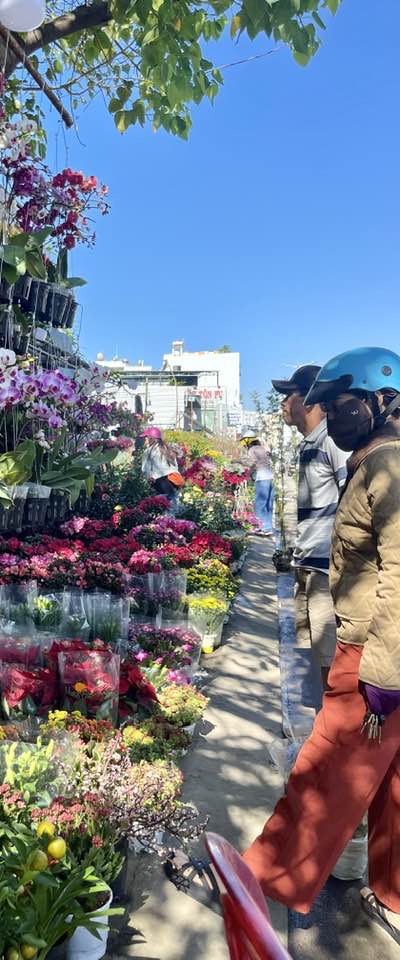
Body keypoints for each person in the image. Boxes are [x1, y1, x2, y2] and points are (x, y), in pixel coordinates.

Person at [243, 347, 400, 941]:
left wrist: (383, 672)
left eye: (342, 404)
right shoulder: (375, 460)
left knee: (327, 771)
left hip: (376, 655)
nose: (332, 414)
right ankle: (392, 896)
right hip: (383, 651)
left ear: (380, 403)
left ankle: (262, 884)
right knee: (391, 786)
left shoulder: (388, 466)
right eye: (327, 404)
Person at [272, 364, 349, 690]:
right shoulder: (309, 444)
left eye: (288, 396)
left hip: (326, 566)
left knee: (332, 653)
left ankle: (336, 731)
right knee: (318, 651)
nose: (282, 404)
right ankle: (327, 723)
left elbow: (353, 500)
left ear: (311, 399)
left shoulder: (334, 441)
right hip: (308, 562)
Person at [239, 428, 274, 535]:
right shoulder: (263, 449)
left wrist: (244, 469)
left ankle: (261, 527)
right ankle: (268, 527)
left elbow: (252, 464)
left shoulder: (252, 450)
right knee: (268, 504)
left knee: (260, 504)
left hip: (262, 477)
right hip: (271, 477)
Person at [140, 426, 180, 497]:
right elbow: (175, 466)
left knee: (161, 505)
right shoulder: (167, 449)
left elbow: (145, 470)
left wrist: (148, 479)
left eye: (146, 437)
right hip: (174, 481)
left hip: (160, 484)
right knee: (174, 504)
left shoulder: (148, 451)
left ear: (151, 438)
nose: (144, 440)